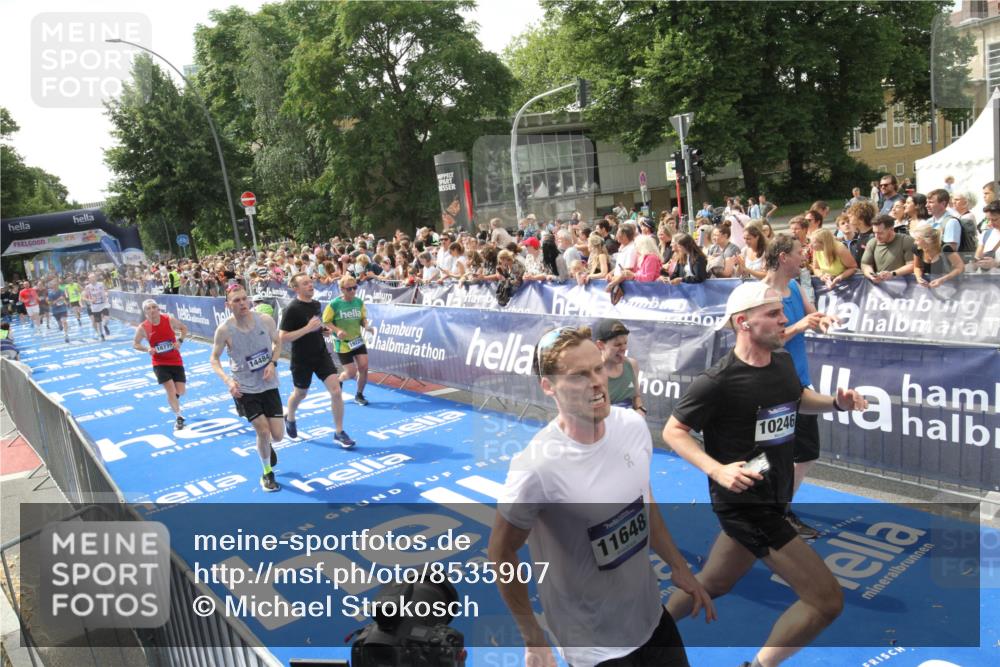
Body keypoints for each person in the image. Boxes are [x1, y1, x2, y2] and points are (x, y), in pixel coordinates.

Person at [663, 281, 867, 667]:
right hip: (747, 505)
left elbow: (798, 399)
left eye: (782, 312)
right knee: (826, 601)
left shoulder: (783, 362)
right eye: (773, 314)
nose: (784, 319)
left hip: (774, 495)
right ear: (743, 323)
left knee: (714, 582)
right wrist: (717, 469)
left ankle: (647, 631)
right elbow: (673, 431)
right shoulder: (718, 381)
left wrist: (835, 405)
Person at [489, 326, 713, 667]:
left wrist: (677, 565)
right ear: (548, 387)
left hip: (652, 620)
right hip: (593, 648)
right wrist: (533, 637)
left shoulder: (633, 428)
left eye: (597, 369)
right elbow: (501, 552)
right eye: (578, 376)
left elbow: (644, 503)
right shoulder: (536, 467)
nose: (596, 382)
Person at [762, 235, 839, 539]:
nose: (804, 257)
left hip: (800, 383)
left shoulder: (793, 287)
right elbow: (769, 341)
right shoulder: (764, 295)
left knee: (805, 451)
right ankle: (770, 512)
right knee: (771, 455)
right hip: (773, 387)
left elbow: (810, 313)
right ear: (782, 257)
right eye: (798, 253)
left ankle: (779, 509)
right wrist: (800, 326)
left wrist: (821, 319)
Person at [210, 285, 285, 492]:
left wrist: (272, 363)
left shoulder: (265, 320)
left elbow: (278, 344)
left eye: (244, 299)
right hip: (245, 388)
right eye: (236, 300)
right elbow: (214, 359)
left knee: (277, 435)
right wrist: (228, 381)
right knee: (262, 430)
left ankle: (268, 445)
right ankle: (267, 473)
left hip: (269, 385)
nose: (242, 303)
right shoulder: (224, 330)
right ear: (228, 305)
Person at [279, 273, 355, 448]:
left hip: (321, 354)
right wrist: (307, 329)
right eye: (305, 284)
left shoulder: (316, 304)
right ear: (296, 288)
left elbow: (315, 326)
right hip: (301, 358)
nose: (310, 285)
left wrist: (321, 330)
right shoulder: (291, 309)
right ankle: (289, 416)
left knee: (336, 391)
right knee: (300, 393)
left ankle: (339, 432)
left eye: (310, 282)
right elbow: (283, 337)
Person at [133, 299, 189, 430]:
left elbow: (184, 328)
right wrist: (147, 349)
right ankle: (179, 416)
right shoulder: (143, 327)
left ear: (159, 309)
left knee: (180, 391)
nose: (152, 310)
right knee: (170, 389)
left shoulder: (168, 319)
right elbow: (135, 344)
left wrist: (179, 341)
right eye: (148, 308)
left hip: (175, 360)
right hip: (159, 363)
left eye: (154, 307)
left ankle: (172, 400)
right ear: (145, 312)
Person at [324, 275, 374, 406]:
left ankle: (359, 394)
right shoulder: (334, 304)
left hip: (357, 340)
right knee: (351, 373)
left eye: (355, 288)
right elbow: (326, 321)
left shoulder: (358, 302)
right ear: (342, 289)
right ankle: (339, 380)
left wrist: (367, 326)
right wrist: (337, 330)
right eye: (349, 289)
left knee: (364, 367)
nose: (352, 291)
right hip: (343, 344)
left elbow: (362, 318)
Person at [593, 319, 646, 415]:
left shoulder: (632, 365)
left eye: (625, 343)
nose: (624, 348)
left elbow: (636, 396)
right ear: (600, 345)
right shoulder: (592, 372)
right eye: (617, 344)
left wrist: (640, 409)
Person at [860, 215, 916, 282]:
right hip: (881, 285)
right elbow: (865, 264)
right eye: (874, 232)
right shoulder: (872, 242)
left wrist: (892, 274)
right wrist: (871, 275)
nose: (876, 236)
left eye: (880, 233)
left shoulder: (906, 241)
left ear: (891, 229)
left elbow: (912, 265)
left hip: (904, 284)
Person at [911, 223, 964, 288]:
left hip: (948, 286)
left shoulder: (945, 248)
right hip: (927, 288)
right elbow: (917, 267)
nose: (915, 242)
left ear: (927, 240)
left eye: (917, 240)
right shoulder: (917, 248)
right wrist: (918, 278)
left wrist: (942, 280)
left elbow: (960, 267)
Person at [82, 272, 112, 340]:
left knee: (107, 318)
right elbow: (83, 297)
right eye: (91, 278)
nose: (92, 279)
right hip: (95, 306)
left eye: (93, 277)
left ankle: (105, 325)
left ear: (96, 278)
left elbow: (106, 291)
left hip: (103, 304)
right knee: (98, 322)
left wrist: (106, 295)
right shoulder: (88, 287)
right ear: (89, 279)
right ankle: (101, 334)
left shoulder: (101, 284)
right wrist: (90, 300)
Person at [972, 199, 1000, 272]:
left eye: (994, 219)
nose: (991, 223)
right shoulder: (986, 234)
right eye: (988, 220)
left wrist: (996, 264)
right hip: (987, 280)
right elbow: (977, 258)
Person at [47, 279, 71, 343]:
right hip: (55, 310)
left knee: (64, 321)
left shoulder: (62, 291)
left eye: (57, 285)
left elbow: (64, 298)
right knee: (60, 324)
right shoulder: (50, 293)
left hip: (63, 309)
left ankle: (66, 335)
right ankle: (60, 325)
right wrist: (58, 300)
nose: (56, 286)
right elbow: (51, 303)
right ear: (52, 286)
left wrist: (66, 302)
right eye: (54, 285)